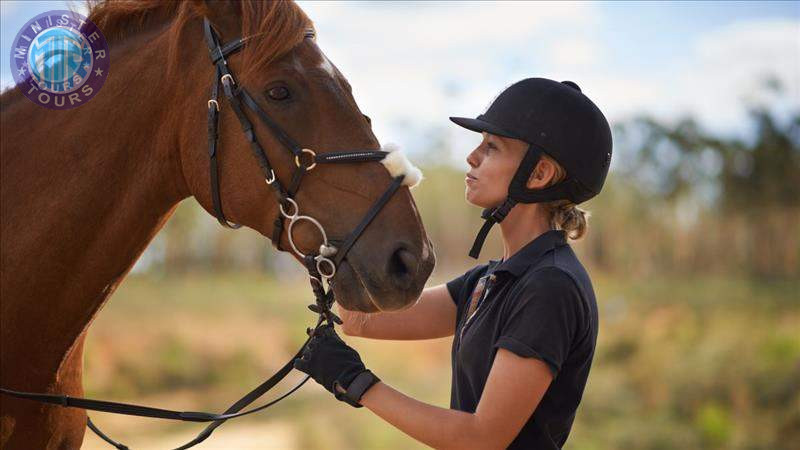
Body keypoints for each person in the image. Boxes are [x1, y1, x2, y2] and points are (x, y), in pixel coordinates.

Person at [293, 77, 613, 449]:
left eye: (492, 147)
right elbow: (360, 320)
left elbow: (481, 438)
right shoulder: (491, 280)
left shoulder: (550, 285)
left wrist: (359, 384)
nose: (472, 157)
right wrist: (328, 225)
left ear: (539, 174)